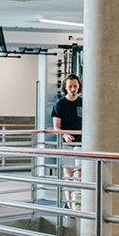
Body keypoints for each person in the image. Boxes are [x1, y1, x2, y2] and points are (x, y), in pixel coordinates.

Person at [51, 74, 83, 207]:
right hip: (67, 144)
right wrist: (64, 134)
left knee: (79, 176)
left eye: (75, 86)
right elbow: (56, 127)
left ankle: (78, 205)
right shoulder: (60, 104)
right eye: (70, 86)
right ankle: (69, 206)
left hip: (82, 143)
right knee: (68, 175)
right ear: (65, 87)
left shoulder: (83, 103)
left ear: (79, 86)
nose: (73, 89)